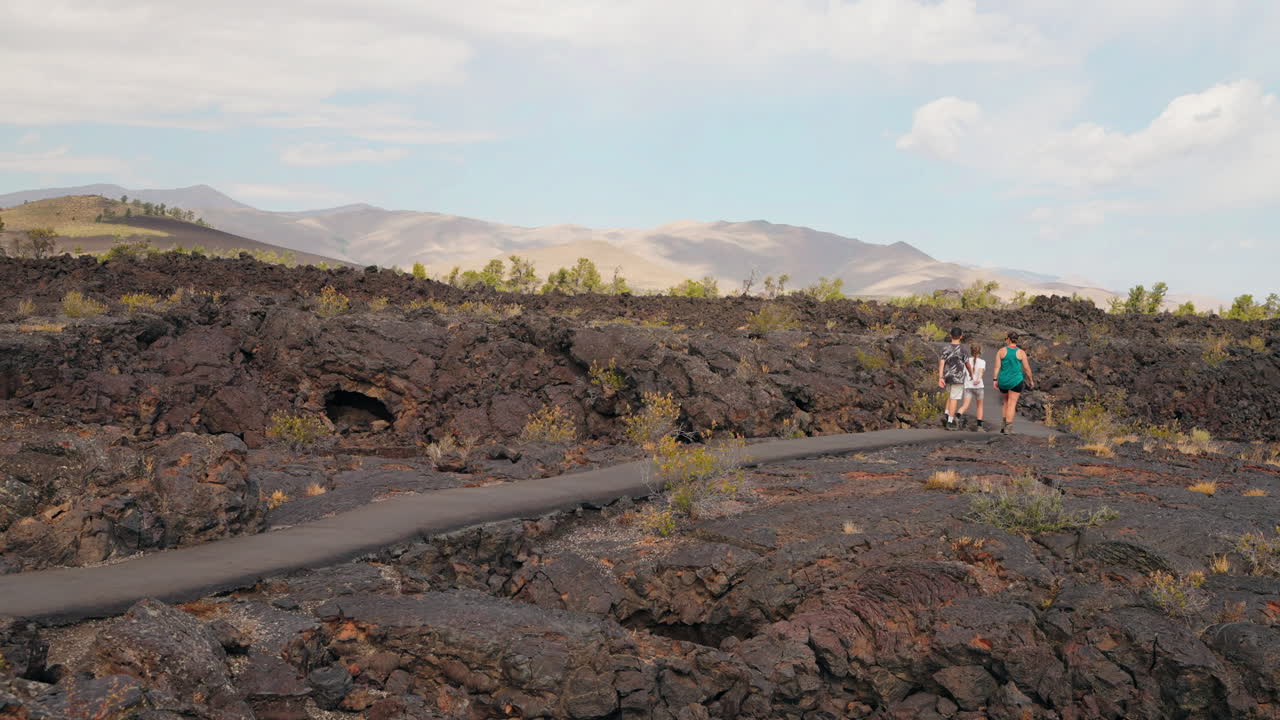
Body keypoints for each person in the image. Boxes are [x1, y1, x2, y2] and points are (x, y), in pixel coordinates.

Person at [992, 331, 1035, 434]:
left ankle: (1003, 425)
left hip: (1003, 381)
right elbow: (1027, 369)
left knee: (1006, 402)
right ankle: (1008, 428)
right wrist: (1031, 381)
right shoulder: (1021, 353)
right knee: (1012, 404)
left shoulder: (1001, 351)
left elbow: (997, 367)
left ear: (1009, 339)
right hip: (1016, 381)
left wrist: (995, 380)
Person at [937, 327, 972, 431]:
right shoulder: (963, 349)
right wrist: (971, 373)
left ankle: (947, 414)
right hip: (958, 377)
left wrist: (940, 377)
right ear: (961, 336)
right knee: (954, 398)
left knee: (950, 395)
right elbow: (967, 364)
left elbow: (942, 363)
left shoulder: (945, 348)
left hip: (947, 376)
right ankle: (950, 422)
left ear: (950, 335)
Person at [957, 342, 985, 430]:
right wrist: (978, 380)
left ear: (971, 351)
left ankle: (956, 417)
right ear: (980, 351)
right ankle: (979, 426)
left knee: (965, 405)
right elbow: (980, 372)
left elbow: (964, 373)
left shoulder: (966, 361)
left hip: (968, 386)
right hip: (979, 387)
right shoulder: (982, 362)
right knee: (979, 406)